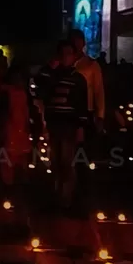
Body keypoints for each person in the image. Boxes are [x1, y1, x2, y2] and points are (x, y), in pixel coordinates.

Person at [43, 41, 89, 207]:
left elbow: (82, 105)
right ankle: (57, 194)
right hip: (54, 124)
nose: (65, 57)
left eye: (68, 54)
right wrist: (49, 68)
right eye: (62, 54)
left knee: (67, 160)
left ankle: (67, 198)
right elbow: (40, 86)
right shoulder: (52, 76)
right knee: (55, 160)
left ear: (74, 57)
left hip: (69, 126)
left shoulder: (78, 79)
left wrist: (80, 127)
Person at [68, 29, 105, 133]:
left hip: (87, 110)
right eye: (73, 41)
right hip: (67, 111)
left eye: (79, 41)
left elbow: (99, 91)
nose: (76, 45)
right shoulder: (64, 65)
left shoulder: (91, 65)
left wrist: (100, 116)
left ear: (83, 43)